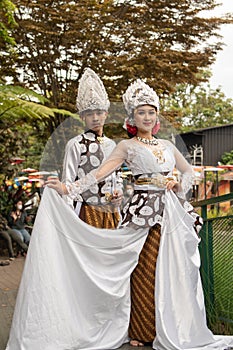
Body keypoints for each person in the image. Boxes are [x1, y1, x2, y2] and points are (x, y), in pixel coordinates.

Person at [6, 80, 233, 350]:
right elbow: (98, 174)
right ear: (131, 118)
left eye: (151, 111)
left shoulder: (169, 146)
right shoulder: (125, 146)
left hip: (171, 212)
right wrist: (68, 187)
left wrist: (177, 185)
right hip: (141, 213)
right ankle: (142, 330)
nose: (147, 117)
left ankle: (176, 327)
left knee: (175, 272)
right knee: (141, 271)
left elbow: (188, 172)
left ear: (157, 115)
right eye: (141, 112)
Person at [62, 67, 121, 228]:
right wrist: (68, 219)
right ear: (82, 117)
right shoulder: (76, 144)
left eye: (99, 113)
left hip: (110, 212)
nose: (95, 118)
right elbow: (67, 182)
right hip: (85, 212)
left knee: (110, 252)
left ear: (105, 114)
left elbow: (117, 178)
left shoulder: (112, 145)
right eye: (89, 114)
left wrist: (119, 194)